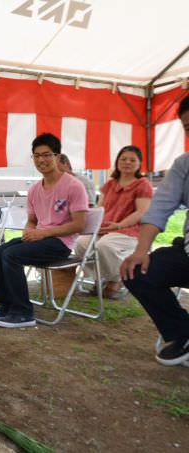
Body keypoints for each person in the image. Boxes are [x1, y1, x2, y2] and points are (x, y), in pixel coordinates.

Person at [0, 133, 88, 328]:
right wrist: (29, 230)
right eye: (37, 155)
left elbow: (79, 225)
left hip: (60, 243)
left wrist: (42, 233)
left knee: (11, 255)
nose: (41, 160)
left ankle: (23, 313)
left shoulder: (74, 186)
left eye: (47, 154)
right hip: (41, 238)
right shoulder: (34, 189)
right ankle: (7, 306)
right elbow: (32, 220)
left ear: (58, 157)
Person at [121, 95, 189, 367]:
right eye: (187, 127)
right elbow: (160, 208)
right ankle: (183, 333)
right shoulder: (184, 164)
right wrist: (140, 250)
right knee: (136, 270)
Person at [74, 146, 152, 299]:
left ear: (139, 164)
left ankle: (116, 279)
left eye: (132, 160)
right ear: (117, 162)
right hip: (105, 228)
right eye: (123, 159)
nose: (127, 162)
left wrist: (119, 225)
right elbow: (100, 208)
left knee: (104, 246)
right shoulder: (110, 184)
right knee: (81, 244)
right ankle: (100, 277)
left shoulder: (143, 184)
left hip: (131, 230)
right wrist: (89, 224)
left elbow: (141, 212)